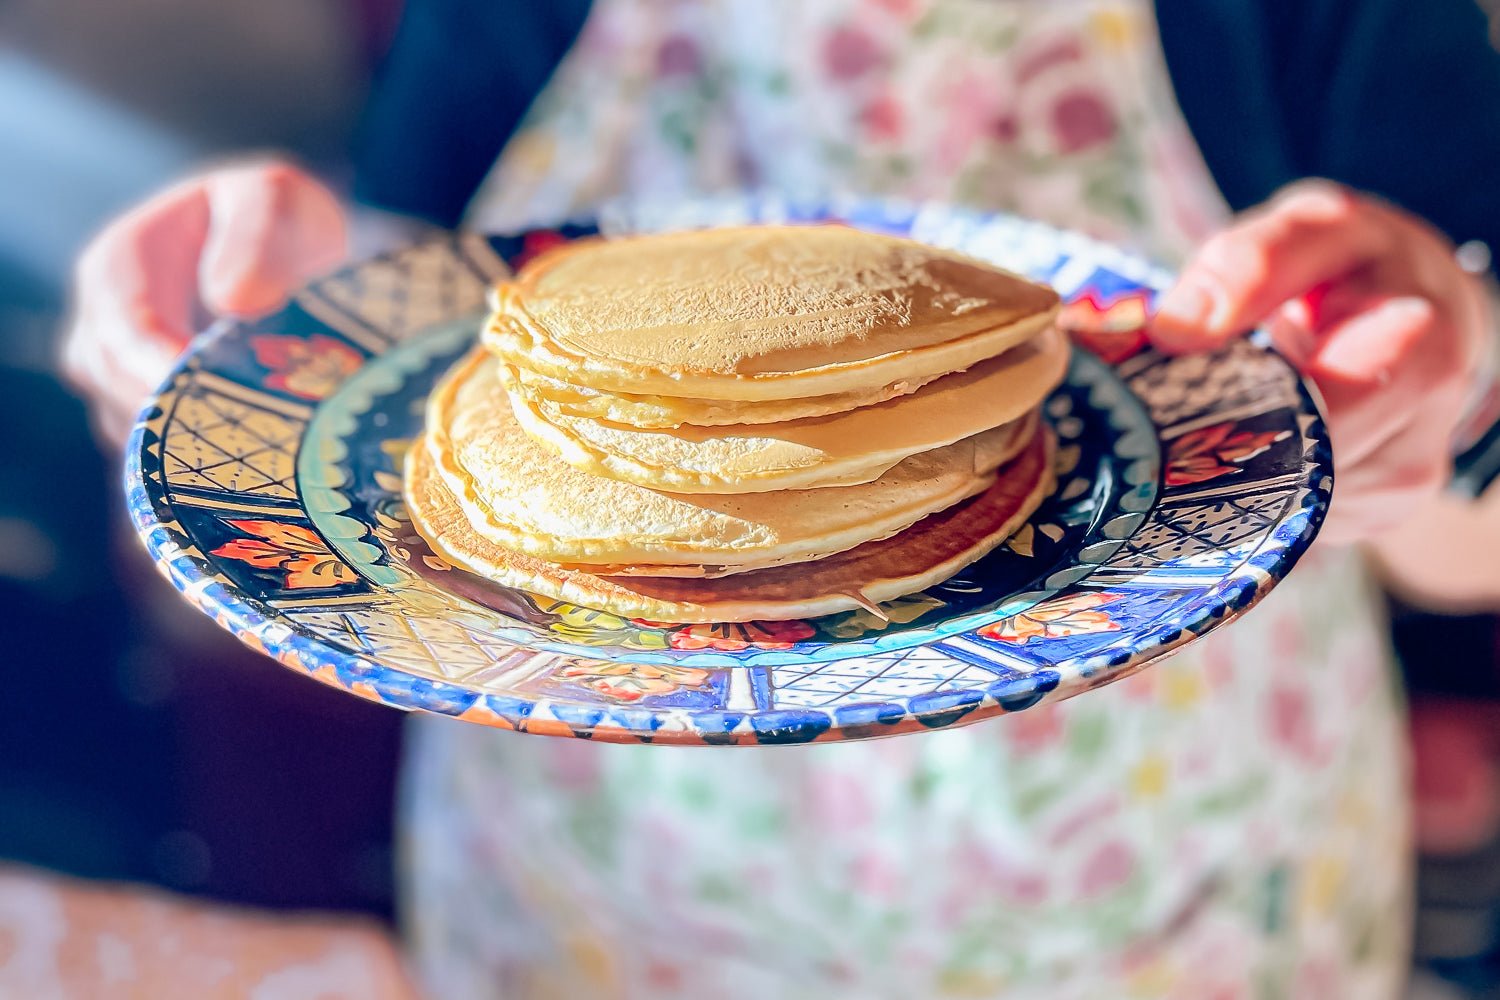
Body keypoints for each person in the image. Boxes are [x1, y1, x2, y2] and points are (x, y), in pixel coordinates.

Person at [61, 0, 1500, 995]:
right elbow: (420, 385)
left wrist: (1447, 392)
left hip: (1176, 915)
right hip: (613, 921)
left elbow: (1470, 556)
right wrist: (256, 334)